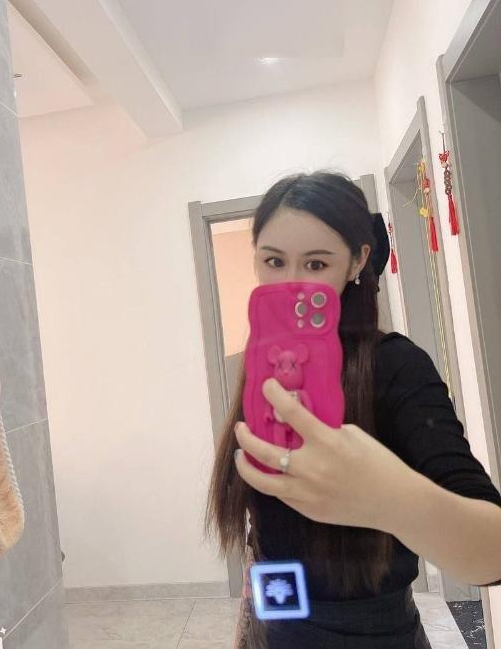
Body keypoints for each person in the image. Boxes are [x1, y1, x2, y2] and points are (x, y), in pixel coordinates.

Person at [205, 171, 501, 648]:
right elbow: (267, 527)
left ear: (357, 261)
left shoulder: (396, 366)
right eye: (274, 261)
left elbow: (493, 552)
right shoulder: (264, 366)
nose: (291, 284)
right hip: (275, 624)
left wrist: (391, 499)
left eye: (316, 263)